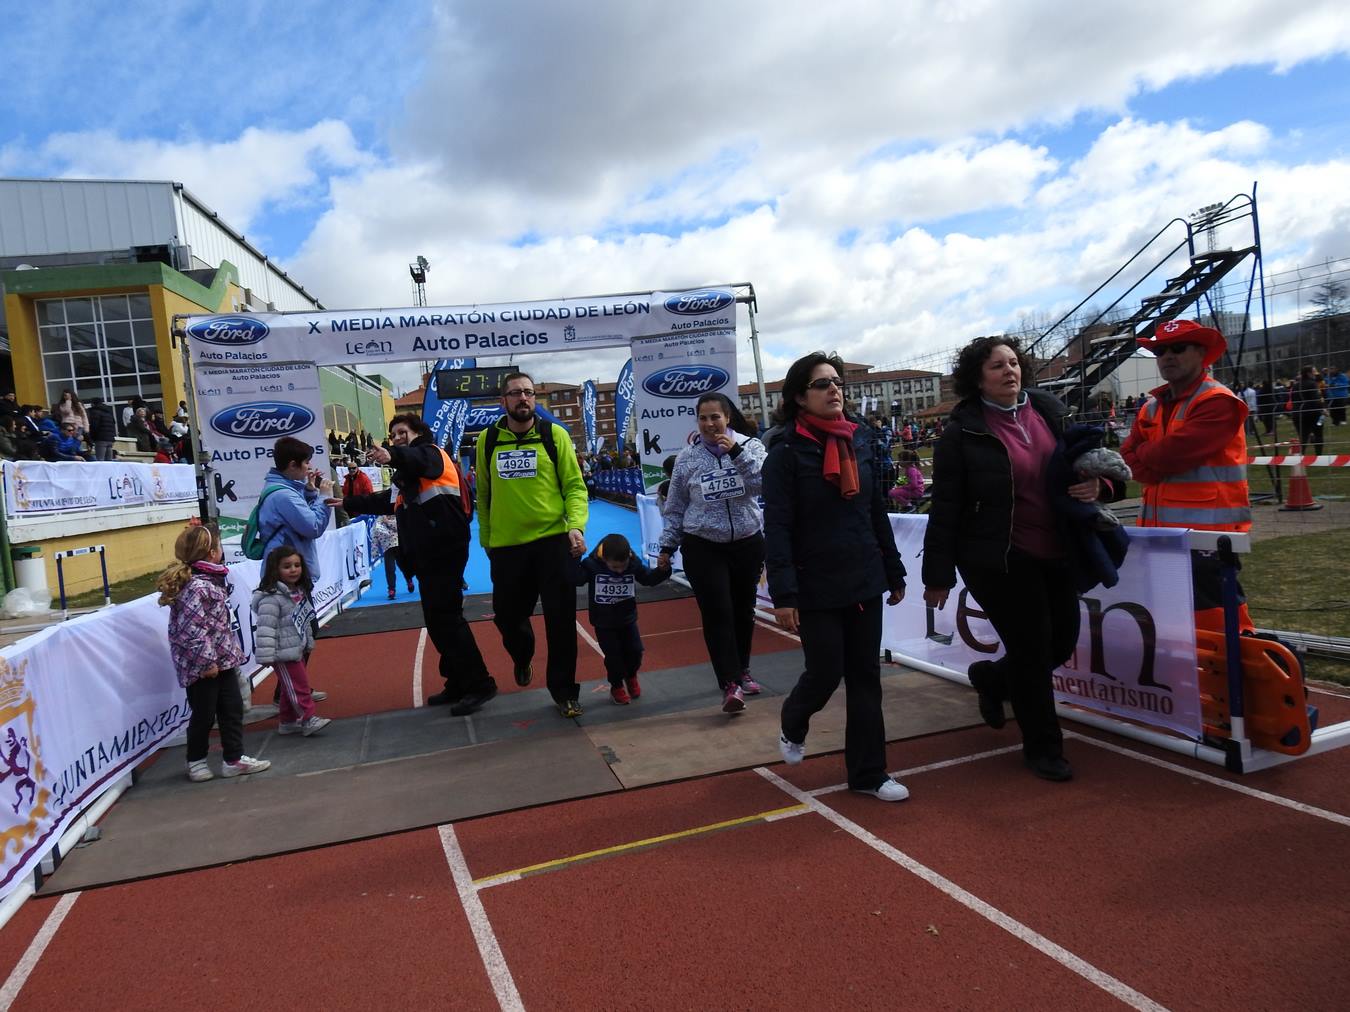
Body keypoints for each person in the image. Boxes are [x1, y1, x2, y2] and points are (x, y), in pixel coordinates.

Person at [922, 336, 1121, 783]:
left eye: (1013, 363)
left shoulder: (1051, 410)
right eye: (996, 366)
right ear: (977, 378)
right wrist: (937, 574)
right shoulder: (962, 432)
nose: (1009, 371)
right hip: (1000, 557)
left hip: (1058, 548)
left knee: (1061, 642)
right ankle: (1044, 747)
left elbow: (1091, 465)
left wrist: (1101, 489)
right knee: (1032, 651)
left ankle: (993, 680)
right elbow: (946, 508)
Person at [763, 352, 909, 802]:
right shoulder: (785, 453)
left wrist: (893, 567)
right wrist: (784, 594)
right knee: (825, 671)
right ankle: (794, 718)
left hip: (864, 574)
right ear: (798, 397)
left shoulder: (860, 439)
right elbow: (779, 528)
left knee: (866, 676)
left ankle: (869, 773)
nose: (834, 391)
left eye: (837, 382)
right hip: (815, 583)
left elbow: (872, 510)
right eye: (822, 384)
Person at [353, 414, 498, 714]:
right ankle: (458, 681)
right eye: (393, 435)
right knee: (438, 620)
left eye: (402, 432)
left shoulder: (431, 453)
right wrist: (348, 504)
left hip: (443, 547)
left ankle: (480, 683)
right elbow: (387, 501)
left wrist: (392, 454)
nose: (396, 438)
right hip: (428, 551)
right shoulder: (410, 475)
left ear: (418, 433)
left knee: (447, 619)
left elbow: (417, 458)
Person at [1121, 318, 1253, 635]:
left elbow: (1173, 454)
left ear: (1202, 353)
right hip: (1158, 538)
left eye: (1178, 348)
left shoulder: (1218, 402)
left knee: (1220, 631)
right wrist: (1151, 457)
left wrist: (1148, 455)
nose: (1167, 356)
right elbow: (1129, 459)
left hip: (1207, 540)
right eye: (1160, 350)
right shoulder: (1150, 407)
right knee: (1171, 628)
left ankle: (1241, 683)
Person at [475, 372, 590, 718]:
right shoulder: (487, 439)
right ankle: (523, 655)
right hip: (507, 547)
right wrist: (487, 540)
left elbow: (574, 486)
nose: (522, 398)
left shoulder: (554, 435)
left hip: (554, 543)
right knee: (508, 618)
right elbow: (483, 493)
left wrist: (576, 526)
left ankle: (565, 692)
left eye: (527, 393)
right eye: (514, 393)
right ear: (503, 401)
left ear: (534, 399)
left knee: (561, 621)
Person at [658, 392, 768, 712]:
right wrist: (667, 546)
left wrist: (735, 453)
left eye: (715, 417)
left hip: (747, 541)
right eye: (703, 418)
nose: (709, 424)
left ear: (727, 418)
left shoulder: (751, 446)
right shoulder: (687, 459)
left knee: (742, 611)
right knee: (718, 611)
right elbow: (676, 507)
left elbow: (764, 483)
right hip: (702, 545)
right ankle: (729, 683)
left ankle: (743, 669)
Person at [157, 522, 271, 782]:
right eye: (219, 546)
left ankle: (234, 758)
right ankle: (195, 760)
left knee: (232, 708)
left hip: (224, 660)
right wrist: (206, 662)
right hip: (204, 667)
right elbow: (192, 629)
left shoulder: (212, 580)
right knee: (204, 714)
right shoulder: (196, 587)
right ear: (211, 553)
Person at [568, 533, 671, 705]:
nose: (620, 571)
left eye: (623, 567)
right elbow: (577, 579)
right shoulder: (592, 565)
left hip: (627, 619)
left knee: (636, 651)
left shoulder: (633, 564)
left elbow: (648, 579)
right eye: (615, 568)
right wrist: (575, 558)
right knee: (613, 656)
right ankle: (616, 686)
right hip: (603, 623)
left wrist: (663, 570)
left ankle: (631, 676)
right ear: (604, 558)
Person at [252, 546, 331, 736]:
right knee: (300, 686)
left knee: (291, 688)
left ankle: (287, 721)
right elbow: (265, 627)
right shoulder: (271, 598)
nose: (293, 570)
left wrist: (308, 640)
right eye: (287, 566)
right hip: (283, 651)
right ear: (275, 569)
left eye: (297, 565)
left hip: (297, 647)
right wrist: (267, 655)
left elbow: (302, 619)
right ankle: (308, 718)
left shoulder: (298, 591)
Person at [256, 436, 335, 582]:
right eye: (306, 462)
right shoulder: (284, 495)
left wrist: (310, 492)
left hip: (286, 572)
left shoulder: (283, 490)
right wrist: (324, 497)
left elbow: (301, 517)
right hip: (288, 576)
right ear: (293, 465)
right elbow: (313, 527)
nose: (309, 466)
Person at [371, 513, 415, 600]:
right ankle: (391, 589)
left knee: (403, 566)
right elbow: (374, 535)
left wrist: (387, 522)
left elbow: (398, 527)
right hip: (387, 548)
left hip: (399, 545)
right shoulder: (379, 520)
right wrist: (374, 551)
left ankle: (409, 579)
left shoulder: (397, 515)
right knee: (390, 569)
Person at [1291, 365, 1326, 454]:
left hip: (1298, 414)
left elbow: (1293, 400)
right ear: (1308, 373)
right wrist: (1323, 409)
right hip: (1313, 414)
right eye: (1313, 372)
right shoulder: (1312, 383)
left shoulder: (1295, 385)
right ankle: (1318, 456)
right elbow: (1316, 399)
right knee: (1318, 433)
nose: (1315, 374)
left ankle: (1300, 456)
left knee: (1303, 437)